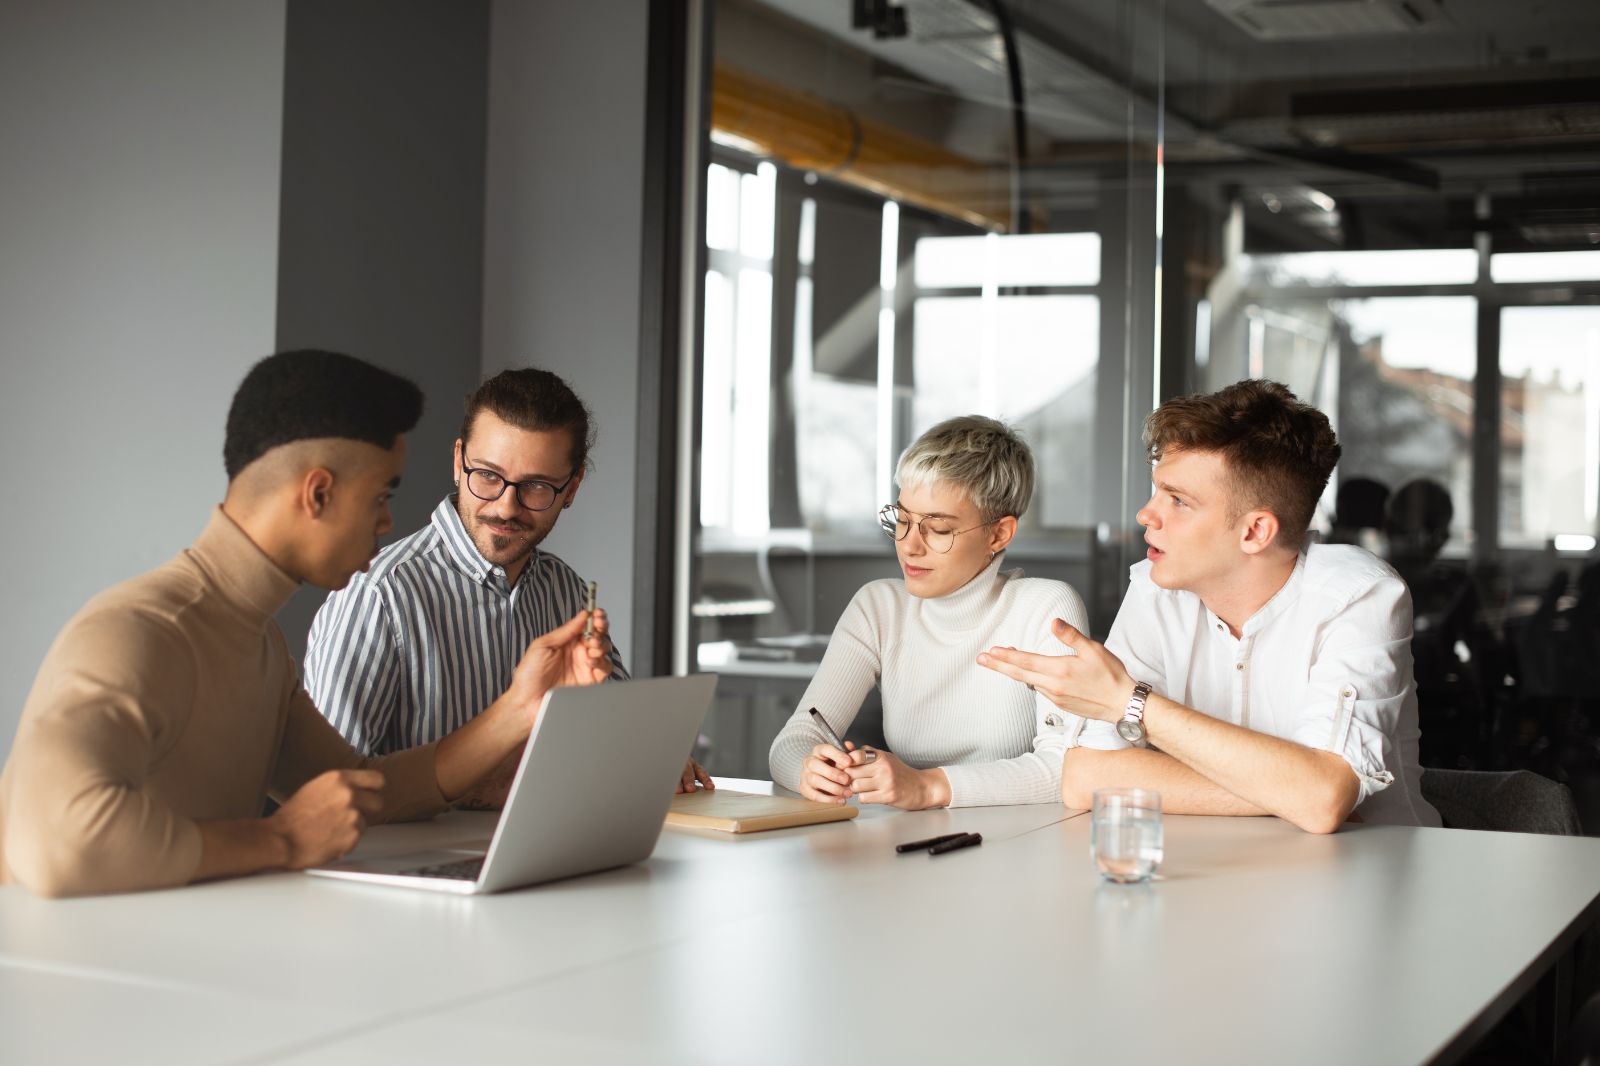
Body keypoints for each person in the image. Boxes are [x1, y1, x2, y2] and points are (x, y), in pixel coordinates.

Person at [0, 351, 610, 897]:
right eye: (381, 496)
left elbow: (362, 787)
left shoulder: (257, 640)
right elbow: (55, 846)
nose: (388, 522)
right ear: (318, 494)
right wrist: (281, 840)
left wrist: (521, 708)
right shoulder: (137, 629)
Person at [979, 379, 1439, 831]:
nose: (1146, 514)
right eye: (1157, 490)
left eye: (1178, 500)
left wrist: (1128, 701)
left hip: (1369, 875)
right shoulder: (1155, 589)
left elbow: (1321, 800)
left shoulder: (1359, 595)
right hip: (1213, 873)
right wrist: (1290, 793)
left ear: (1255, 532)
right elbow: (1084, 777)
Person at [304, 367, 710, 805]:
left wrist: (649, 757)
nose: (506, 506)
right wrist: (485, 786)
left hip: (550, 854)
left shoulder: (567, 593)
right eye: (488, 476)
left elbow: (616, 741)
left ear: (571, 488)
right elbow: (324, 796)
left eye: (536, 486)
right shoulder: (378, 594)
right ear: (459, 462)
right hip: (403, 867)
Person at [768, 416, 1089, 808]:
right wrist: (809, 768)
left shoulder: (1044, 608)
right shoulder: (879, 607)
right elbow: (796, 738)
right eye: (902, 520)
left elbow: (1069, 767)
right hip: (913, 847)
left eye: (937, 529)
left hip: (1026, 848)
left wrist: (926, 787)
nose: (909, 546)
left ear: (999, 533)